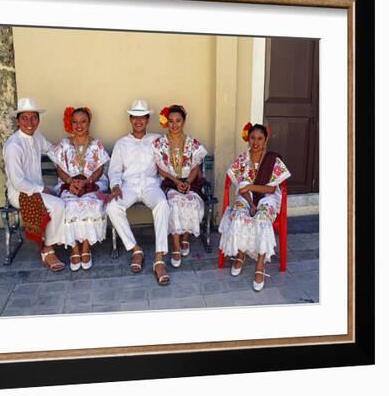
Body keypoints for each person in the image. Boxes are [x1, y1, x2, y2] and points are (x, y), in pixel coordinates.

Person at [218, 123, 291, 291]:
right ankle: (241, 255)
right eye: (252, 138)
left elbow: (271, 188)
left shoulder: (273, 160)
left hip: (267, 198)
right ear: (248, 139)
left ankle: (260, 266)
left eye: (260, 139)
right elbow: (241, 187)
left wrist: (251, 187)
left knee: (262, 221)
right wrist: (251, 204)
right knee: (239, 217)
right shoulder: (242, 159)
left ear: (266, 140)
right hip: (247, 198)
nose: (255, 142)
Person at [106, 100, 171, 285]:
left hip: (151, 185)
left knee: (162, 204)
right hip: (129, 186)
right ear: (130, 119)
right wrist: (115, 185)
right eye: (135, 117)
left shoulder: (157, 140)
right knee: (112, 207)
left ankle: (159, 259)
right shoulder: (121, 144)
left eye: (142, 117)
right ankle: (136, 250)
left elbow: (172, 155)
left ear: (148, 119)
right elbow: (114, 170)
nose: (138, 121)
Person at [3, 98, 66, 272]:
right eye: (24, 118)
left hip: (38, 190)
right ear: (17, 121)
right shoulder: (13, 146)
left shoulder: (36, 136)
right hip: (20, 193)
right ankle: (47, 249)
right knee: (59, 205)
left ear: (38, 120)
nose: (29, 123)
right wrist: (43, 189)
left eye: (33, 118)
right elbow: (17, 182)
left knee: (67, 194)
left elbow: (52, 150)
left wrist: (72, 151)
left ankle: (70, 240)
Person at [48, 107, 110, 271]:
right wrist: (70, 181)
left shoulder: (96, 144)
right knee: (68, 205)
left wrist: (88, 182)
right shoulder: (64, 144)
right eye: (75, 122)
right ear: (70, 123)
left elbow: (99, 169)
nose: (79, 125)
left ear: (89, 123)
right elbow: (59, 168)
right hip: (69, 183)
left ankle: (85, 248)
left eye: (83, 121)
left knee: (91, 204)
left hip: (91, 183)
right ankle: (74, 249)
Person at [152, 105, 207, 269]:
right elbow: (160, 168)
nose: (174, 125)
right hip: (170, 182)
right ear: (166, 122)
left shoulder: (192, 143)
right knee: (174, 204)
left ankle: (185, 238)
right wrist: (176, 182)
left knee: (191, 202)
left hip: (190, 181)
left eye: (178, 121)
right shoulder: (160, 143)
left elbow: (195, 166)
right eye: (171, 121)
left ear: (184, 122)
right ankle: (175, 246)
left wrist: (188, 182)